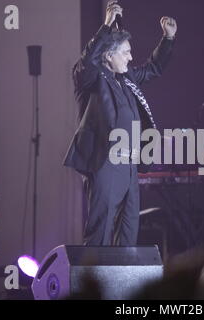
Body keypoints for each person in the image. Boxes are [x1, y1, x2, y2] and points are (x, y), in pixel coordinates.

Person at [63, 1, 177, 246]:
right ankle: (92, 282)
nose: (131, 57)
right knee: (101, 227)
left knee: (128, 229)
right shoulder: (91, 79)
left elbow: (153, 68)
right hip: (107, 162)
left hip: (129, 165)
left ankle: (122, 283)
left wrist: (167, 39)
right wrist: (105, 27)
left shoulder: (126, 79)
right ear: (108, 55)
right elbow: (87, 61)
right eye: (125, 52)